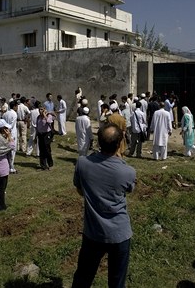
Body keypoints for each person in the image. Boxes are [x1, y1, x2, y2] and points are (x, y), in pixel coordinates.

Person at [72, 123, 136, 288]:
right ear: (119, 144)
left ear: (99, 143)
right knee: (117, 281)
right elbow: (128, 189)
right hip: (119, 233)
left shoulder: (82, 163)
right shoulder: (128, 171)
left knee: (83, 277)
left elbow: (80, 190)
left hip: (93, 232)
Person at [2, 101, 18, 174]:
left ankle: (8, 166)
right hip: (12, 134)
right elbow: (11, 125)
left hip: (6, 133)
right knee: (12, 151)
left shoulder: (5, 114)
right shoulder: (14, 114)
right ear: (14, 106)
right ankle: (11, 168)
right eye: (16, 106)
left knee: (7, 151)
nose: (17, 107)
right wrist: (9, 133)